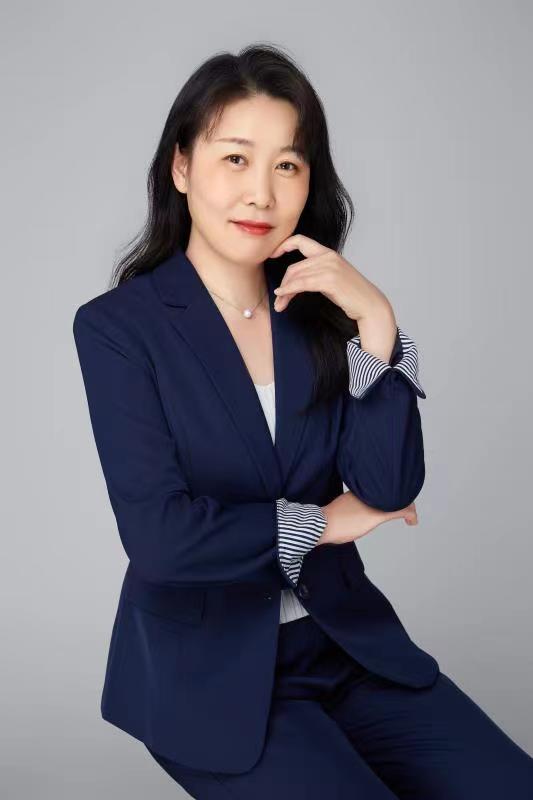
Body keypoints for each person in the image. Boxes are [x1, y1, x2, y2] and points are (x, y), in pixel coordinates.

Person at [73, 44, 533, 798]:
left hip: (349, 648)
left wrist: (376, 323)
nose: (260, 193)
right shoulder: (120, 329)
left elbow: (387, 486)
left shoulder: (317, 310)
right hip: (212, 682)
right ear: (181, 167)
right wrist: (319, 523)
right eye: (235, 158)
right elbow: (162, 538)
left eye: (286, 165)